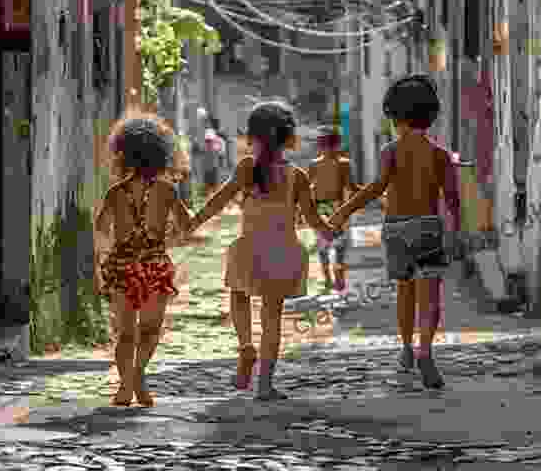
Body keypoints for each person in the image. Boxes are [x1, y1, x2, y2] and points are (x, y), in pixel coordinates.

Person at [185, 101, 340, 400]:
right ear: (289, 138)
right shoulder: (297, 176)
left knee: (238, 294)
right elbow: (313, 220)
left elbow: (218, 201)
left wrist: (193, 222)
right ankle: (265, 385)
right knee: (272, 318)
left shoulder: (247, 168)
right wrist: (329, 231)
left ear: (251, 137)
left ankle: (245, 346)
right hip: (282, 253)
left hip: (250, 247)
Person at [328, 75, 461, 389]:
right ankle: (425, 349)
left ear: (395, 116)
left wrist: (343, 211)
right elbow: (453, 201)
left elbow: (376, 187)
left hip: (397, 229)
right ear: (430, 115)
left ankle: (405, 350)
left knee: (405, 292)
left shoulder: (390, 151)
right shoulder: (441, 155)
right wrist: (457, 232)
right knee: (431, 296)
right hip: (428, 227)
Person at [94, 109, 194, 407]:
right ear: (161, 154)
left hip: (122, 265)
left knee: (125, 334)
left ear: (123, 154)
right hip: (154, 265)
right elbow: (186, 226)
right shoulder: (168, 191)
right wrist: (172, 235)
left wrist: (106, 260)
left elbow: (100, 230)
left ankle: (126, 387)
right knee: (149, 330)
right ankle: (138, 376)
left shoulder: (115, 193)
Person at [308, 125, 362, 292]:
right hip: (337, 209)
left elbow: (306, 188)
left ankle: (327, 279)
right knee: (339, 247)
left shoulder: (314, 164)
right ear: (338, 144)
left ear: (319, 145)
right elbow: (352, 187)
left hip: (319, 209)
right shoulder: (344, 163)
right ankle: (339, 279)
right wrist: (371, 193)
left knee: (323, 247)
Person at [203, 114, 225, 198]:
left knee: (214, 189)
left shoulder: (218, 140)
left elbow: (221, 156)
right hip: (210, 167)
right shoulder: (219, 141)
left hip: (214, 167)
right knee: (210, 189)